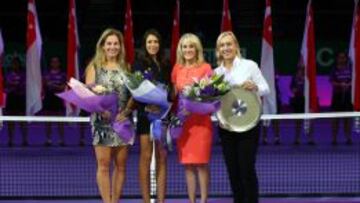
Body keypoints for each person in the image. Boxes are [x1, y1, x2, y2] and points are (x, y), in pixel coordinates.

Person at [214, 31, 270, 203]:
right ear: (218, 50)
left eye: (229, 44)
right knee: (233, 171)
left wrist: (254, 87)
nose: (226, 48)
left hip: (249, 126)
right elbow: (214, 101)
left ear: (236, 46)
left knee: (247, 169)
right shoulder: (216, 73)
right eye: (222, 45)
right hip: (226, 127)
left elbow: (266, 88)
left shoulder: (249, 65)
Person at [85, 28, 134, 203]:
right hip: (101, 123)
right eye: (109, 43)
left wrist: (127, 111)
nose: (112, 47)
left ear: (120, 47)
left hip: (122, 122)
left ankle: (115, 201)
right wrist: (102, 111)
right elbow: (87, 95)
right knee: (104, 166)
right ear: (103, 46)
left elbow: (133, 95)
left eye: (116, 44)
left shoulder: (126, 67)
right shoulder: (94, 67)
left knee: (121, 166)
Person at [171, 33, 213, 203]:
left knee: (201, 164)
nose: (188, 50)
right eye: (184, 47)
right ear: (180, 49)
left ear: (197, 49)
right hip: (183, 123)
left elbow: (210, 96)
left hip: (201, 123)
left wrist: (196, 106)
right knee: (188, 164)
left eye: (191, 46)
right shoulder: (177, 69)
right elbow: (173, 95)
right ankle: (191, 200)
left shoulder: (206, 68)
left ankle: (203, 200)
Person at [132, 29, 170, 203]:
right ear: (145, 44)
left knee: (162, 157)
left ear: (160, 44)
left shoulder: (166, 64)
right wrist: (149, 105)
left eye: (156, 42)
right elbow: (136, 90)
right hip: (145, 117)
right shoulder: (138, 64)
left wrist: (164, 102)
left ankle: (161, 200)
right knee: (146, 157)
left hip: (163, 116)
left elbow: (169, 90)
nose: (153, 45)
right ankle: (146, 201)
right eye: (149, 42)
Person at [42, 56, 67, 146]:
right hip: (49, 98)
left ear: (59, 63)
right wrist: (47, 83)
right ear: (50, 63)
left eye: (56, 62)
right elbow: (43, 85)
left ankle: (61, 139)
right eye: (53, 62)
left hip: (58, 98)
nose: (54, 63)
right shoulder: (46, 74)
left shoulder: (63, 74)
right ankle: (48, 139)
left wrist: (53, 85)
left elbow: (63, 87)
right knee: (48, 120)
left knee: (60, 120)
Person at [330, 51, 353, 145]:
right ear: (337, 59)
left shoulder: (350, 69)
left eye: (343, 57)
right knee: (335, 119)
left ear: (346, 59)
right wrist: (340, 84)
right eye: (340, 57)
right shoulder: (334, 69)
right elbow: (331, 81)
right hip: (337, 96)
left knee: (347, 119)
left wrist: (348, 84)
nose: (342, 59)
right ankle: (334, 139)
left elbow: (354, 80)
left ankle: (348, 138)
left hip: (347, 97)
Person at [290, 60, 315, 145]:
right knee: (298, 121)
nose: (301, 64)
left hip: (307, 100)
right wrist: (294, 90)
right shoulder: (295, 76)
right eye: (300, 63)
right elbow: (292, 88)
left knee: (309, 120)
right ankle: (297, 139)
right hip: (298, 101)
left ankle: (310, 138)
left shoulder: (309, 75)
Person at [4, 56, 27, 147]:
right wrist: (12, 85)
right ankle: (10, 140)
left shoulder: (23, 74)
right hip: (11, 99)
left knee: (22, 121)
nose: (15, 65)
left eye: (16, 63)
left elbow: (22, 85)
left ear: (19, 64)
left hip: (20, 99)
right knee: (10, 121)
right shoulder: (8, 75)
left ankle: (24, 140)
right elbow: (6, 86)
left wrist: (13, 85)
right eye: (13, 63)